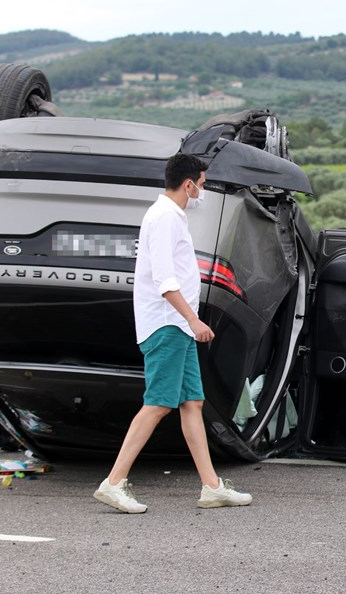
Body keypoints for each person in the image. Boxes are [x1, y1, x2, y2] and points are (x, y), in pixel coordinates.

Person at [94, 153, 253, 513]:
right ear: (188, 184)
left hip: (176, 326)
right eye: (203, 182)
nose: (204, 188)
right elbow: (165, 279)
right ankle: (114, 482)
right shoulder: (165, 217)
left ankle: (211, 487)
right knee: (158, 404)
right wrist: (193, 320)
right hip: (168, 324)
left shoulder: (169, 215)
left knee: (191, 403)